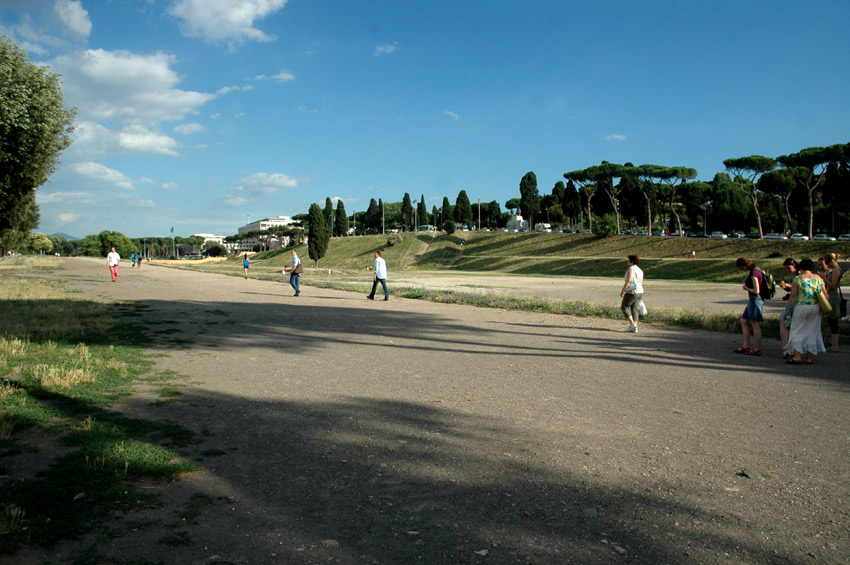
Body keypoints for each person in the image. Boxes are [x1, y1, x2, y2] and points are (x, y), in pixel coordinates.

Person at [785, 258, 827, 364]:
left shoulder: (798, 279)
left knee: (797, 329)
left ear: (801, 267)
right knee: (812, 331)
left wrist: (788, 309)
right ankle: (809, 357)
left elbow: (793, 296)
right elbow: (825, 294)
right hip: (815, 307)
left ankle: (797, 355)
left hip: (801, 306)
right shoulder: (818, 278)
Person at [734, 257, 764, 355]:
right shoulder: (757, 270)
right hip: (753, 300)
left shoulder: (754, 273)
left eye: (741, 268)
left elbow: (756, 290)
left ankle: (757, 348)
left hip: (755, 299)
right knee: (743, 321)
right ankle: (746, 345)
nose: (742, 270)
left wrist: (747, 288)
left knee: (755, 324)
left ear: (744, 265)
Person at [821, 253, 842, 352]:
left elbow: (833, 285)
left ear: (832, 261)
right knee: (831, 321)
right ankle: (833, 345)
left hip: (833, 296)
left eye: (827, 262)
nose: (826, 265)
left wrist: (824, 278)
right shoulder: (834, 270)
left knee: (833, 321)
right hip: (832, 296)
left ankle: (834, 346)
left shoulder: (835, 271)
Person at [619, 254, 644, 333]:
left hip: (632, 292)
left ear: (631, 261)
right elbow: (641, 282)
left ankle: (632, 324)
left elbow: (628, 280)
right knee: (634, 308)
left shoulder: (631, 269)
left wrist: (623, 290)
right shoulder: (640, 270)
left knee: (624, 307)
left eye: (628, 260)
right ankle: (635, 326)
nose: (628, 262)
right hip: (640, 291)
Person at [779, 258, 798, 354]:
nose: (788, 270)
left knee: (784, 321)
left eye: (788, 268)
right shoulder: (795, 276)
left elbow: (798, 288)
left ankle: (786, 347)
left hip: (795, 302)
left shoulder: (799, 276)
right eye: (786, 268)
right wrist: (786, 288)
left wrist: (789, 286)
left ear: (794, 265)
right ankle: (787, 347)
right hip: (794, 301)